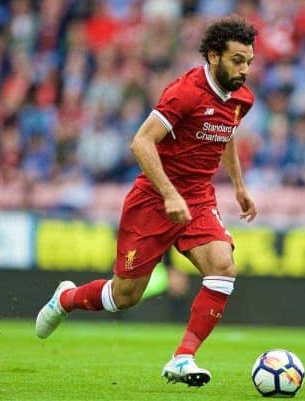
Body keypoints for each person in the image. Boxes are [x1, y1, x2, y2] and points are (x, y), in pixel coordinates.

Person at [35, 16, 258, 387]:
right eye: (237, 60)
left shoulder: (241, 99)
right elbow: (141, 142)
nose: (245, 70)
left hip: (199, 200)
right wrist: (169, 193)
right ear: (214, 55)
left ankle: (183, 358)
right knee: (124, 296)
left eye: (249, 61)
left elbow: (228, 133)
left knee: (223, 266)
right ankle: (67, 298)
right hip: (153, 200)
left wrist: (238, 184)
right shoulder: (184, 91)